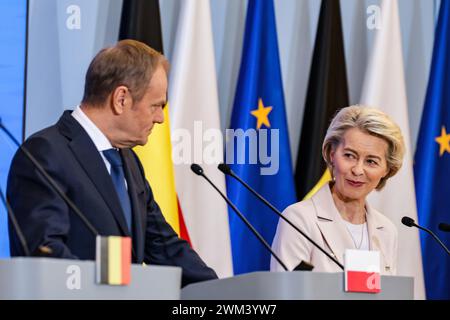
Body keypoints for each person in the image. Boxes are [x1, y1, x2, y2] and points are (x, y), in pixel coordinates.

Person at [7, 40, 217, 286]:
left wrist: (226, 294)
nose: (160, 118)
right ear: (121, 99)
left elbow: (163, 245)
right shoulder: (45, 154)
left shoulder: (127, 160)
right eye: (156, 106)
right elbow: (43, 253)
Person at [271, 105, 405, 275]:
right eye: (349, 155)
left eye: (371, 161)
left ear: (387, 169)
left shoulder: (386, 230)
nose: (357, 170)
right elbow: (287, 291)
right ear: (331, 154)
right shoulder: (299, 220)